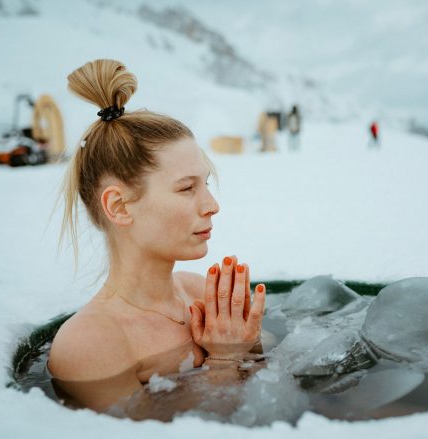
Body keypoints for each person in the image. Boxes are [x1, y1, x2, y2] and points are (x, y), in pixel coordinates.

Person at [46, 59, 266, 412]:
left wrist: (248, 349)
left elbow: (282, 395)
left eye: (205, 184)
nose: (211, 205)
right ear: (119, 206)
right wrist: (225, 362)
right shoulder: (91, 342)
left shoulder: (198, 291)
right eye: (186, 188)